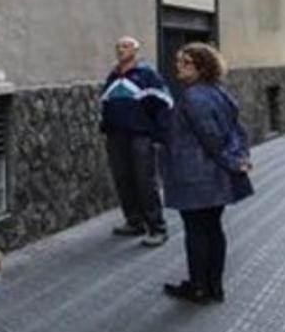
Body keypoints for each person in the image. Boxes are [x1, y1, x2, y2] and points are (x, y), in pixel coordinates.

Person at [163, 43, 254, 304]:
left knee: (197, 230)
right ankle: (214, 286)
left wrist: (234, 162)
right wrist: (239, 157)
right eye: (179, 61)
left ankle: (198, 287)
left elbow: (211, 137)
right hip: (214, 176)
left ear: (202, 67)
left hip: (197, 175)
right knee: (213, 228)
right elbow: (237, 131)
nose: (179, 66)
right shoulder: (219, 92)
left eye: (186, 63)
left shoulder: (194, 97)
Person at [100, 36, 173, 246]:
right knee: (123, 180)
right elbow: (105, 103)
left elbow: (165, 102)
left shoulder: (147, 74)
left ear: (135, 50)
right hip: (116, 136)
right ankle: (134, 222)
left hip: (141, 135)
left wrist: (158, 133)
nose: (120, 50)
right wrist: (104, 126)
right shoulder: (113, 76)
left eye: (125, 46)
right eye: (118, 46)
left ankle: (157, 227)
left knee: (144, 182)